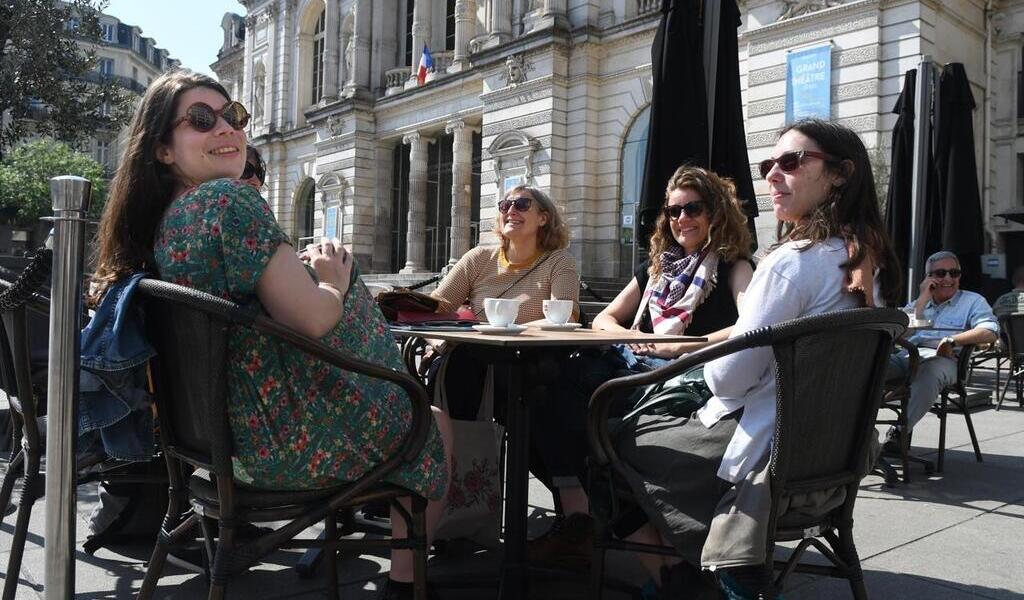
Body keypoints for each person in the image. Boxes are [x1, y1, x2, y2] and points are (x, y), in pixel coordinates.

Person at [90, 69, 451, 600]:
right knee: (433, 423)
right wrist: (334, 279)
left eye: (233, 116)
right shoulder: (229, 202)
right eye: (200, 119)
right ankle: (405, 585)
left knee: (417, 415)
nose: (227, 129)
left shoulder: (167, 222)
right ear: (162, 148)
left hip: (216, 443)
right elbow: (314, 319)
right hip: (275, 441)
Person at [613, 118, 901, 598]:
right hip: (833, 453)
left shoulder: (791, 263)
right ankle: (696, 564)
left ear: (839, 174)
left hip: (769, 450)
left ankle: (685, 577)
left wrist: (697, 365)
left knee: (613, 436)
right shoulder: (871, 263)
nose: (771, 175)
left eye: (791, 162)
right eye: (770, 164)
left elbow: (728, 379)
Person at [428, 184, 582, 550]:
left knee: (539, 400)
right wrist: (437, 338)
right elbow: (437, 307)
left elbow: (567, 315)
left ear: (543, 217)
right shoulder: (479, 258)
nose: (510, 210)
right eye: (504, 205)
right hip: (477, 368)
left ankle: (576, 519)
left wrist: (510, 328)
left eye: (522, 204)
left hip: (533, 366)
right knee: (461, 371)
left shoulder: (559, 261)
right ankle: (461, 516)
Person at [592, 165, 754, 365]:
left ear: (715, 213)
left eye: (693, 209)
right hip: (638, 370)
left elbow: (752, 324)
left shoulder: (733, 266)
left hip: (686, 379)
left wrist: (678, 346)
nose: (682, 219)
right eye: (674, 211)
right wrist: (634, 337)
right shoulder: (656, 268)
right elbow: (603, 318)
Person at [885, 250, 999, 446]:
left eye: (954, 273)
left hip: (947, 361)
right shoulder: (918, 304)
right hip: (908, 356)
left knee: (929, 370)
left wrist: (951, 341)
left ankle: (899, 432)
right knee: (871, 365)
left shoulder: (972, 301)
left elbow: (990, 330)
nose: (948, 278)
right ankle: (860, 436)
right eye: (940, 273)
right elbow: (897, 333)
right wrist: (921, 301)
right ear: (929, 278)